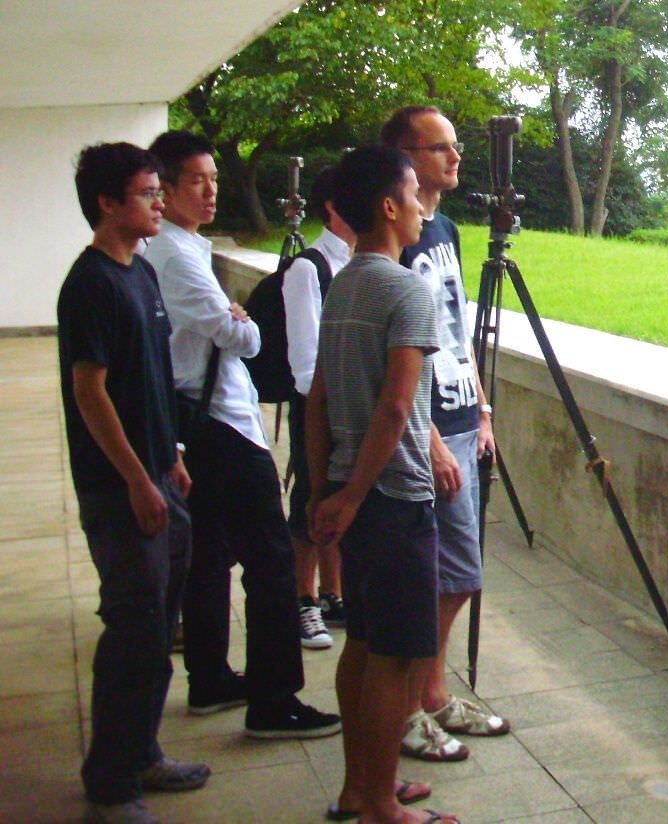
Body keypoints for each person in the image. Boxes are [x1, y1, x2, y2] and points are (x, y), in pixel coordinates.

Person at [144, 130, 340, 739]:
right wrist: (243, 323)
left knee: (209, 554)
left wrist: (238, 319)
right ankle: (274, 699)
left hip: (196, 417)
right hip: (222, 421)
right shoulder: (174, 255)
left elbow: (230, 325)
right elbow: (244, 340)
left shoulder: (177, 250)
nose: (209, 192)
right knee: (271, 559)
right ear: (167, 189)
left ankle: (210, 679)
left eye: (214, 180)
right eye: (196, 181)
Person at [59, 142, 210, 824]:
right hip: (121, 492)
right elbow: (91, 393)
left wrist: (171, 457)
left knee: (157, 630)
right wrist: (136, 483)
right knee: (133, 630)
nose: (159, 202)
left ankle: (142, 751)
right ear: (108, 204)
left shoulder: (141, 274)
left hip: (158, 477)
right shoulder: (90, 283)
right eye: (148, 194)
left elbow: (148, 381)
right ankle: (113, 782)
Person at [307, 144, 458, 824]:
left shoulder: (343, 281)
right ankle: (378, 806)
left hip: (351, 490)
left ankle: (360, 788)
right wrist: (359, 495)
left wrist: (325, 492)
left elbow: (316, 399)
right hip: (393, 497)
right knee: (395, 657)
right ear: (390, 207)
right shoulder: (406, 288)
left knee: (363, 647)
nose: (426, 202)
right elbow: (396, 409)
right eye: (413, 191)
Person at [380, 105, 509, 764]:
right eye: (440, 148)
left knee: (460, 573)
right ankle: (406, 710)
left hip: (462, 418)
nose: (455, 158)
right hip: (427, 432)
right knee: (430, 575)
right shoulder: (394, 237)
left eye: (456, 146)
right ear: (407, 156)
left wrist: (481, 410)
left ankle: (430, 696)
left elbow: (455, 333)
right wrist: (429, 435)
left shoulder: (449, 230)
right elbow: (397, 352)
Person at [284, 166, 355, 651]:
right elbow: (305, 362)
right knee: (311, 500)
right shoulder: (309, 268)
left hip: (350, 410)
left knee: (341, 499)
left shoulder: (363, 261)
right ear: (332, 208)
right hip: (318, 410)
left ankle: (334, 592)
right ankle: (303, 600)